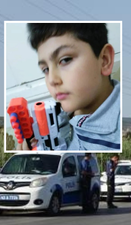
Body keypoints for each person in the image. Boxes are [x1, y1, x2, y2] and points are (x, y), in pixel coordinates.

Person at [27, 23, 120, 151]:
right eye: (46, 69)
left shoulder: (118, 136)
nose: (52, 80)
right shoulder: (57, 116)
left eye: (65, 60)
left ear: (104, 60)